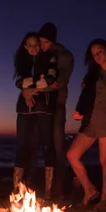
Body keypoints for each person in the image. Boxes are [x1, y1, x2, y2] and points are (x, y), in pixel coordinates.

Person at [25, 22, 74, 200]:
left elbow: (59, 82)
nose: (42, 46)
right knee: (34, 143)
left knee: (57, 146)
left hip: (57, 105)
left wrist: (34, 89)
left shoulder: (64, 55)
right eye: (40, 42)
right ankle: (30, 187)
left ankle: (58, 190)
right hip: (40, 106)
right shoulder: (40, 56)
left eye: (45, 42)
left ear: (52, 41)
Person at [67, 39, 106, 210]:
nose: (97, 56)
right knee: (72, 155)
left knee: (105, 161)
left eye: (100, 51)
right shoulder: (91, 76)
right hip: (90, 122)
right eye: (93, 54)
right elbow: (85, 97)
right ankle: (89, 189)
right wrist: (80, 112)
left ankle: (104, 201)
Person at [13, 32, 58, 198]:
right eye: (30, 45)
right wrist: (27, 88)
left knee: (47, 145)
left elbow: (50, 79)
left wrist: (29, 89)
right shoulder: (21, 63)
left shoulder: (49, 59)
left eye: (36, 44)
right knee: (22, 146)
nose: (33, 48)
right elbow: (18, 81)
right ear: (25, 46)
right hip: (24, 108)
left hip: (43, 107)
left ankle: (48, 192)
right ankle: (17, 191)